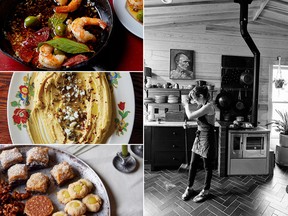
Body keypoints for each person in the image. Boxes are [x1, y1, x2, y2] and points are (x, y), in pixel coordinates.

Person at [181, 86, 216, 202]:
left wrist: (186, 105)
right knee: (193, 163)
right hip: (199, 136)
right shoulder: (202, 105)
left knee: (207, 166)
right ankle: (189, 188)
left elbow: (190, 115)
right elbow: (200, 123)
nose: (195, 102)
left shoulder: (208, 106)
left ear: (201, 96)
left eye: (195, 99)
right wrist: (190, 125)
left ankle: (206, 190)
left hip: (207, 138)